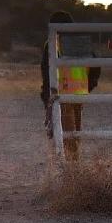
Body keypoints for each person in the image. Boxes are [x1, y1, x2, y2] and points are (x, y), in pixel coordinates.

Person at [40, 10, 100, 160]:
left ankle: (70, 173)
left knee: (65, 136)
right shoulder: (81, 43)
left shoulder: (54, 43)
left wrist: (46, 96)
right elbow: (95, 67)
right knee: (74, 135)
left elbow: (46, 71)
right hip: (78, 95)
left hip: (61, 95)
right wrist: (87, 86)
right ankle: (73, 169)